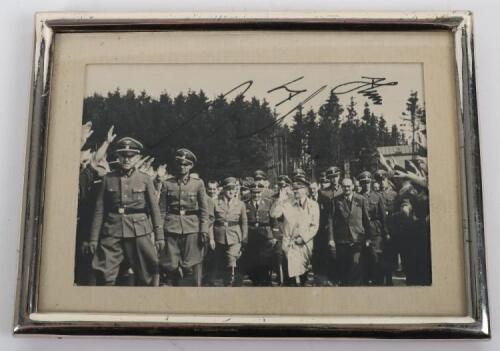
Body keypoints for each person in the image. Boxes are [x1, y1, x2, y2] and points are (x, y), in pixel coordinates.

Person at [89, 137, 164, 286]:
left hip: (139, 230)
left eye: (131, 156)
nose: (127, 160)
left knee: (148, 270)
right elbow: (99, 210)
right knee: (104, 272)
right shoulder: (108, 179)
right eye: (123, 155)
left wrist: (159, 236)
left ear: (137, 158)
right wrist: (93, 238)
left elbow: (155, 209)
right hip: (112, 229)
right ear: (117, 157)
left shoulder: (145, 179)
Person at [159, 148, 209, 286]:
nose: (182, 167)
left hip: (192, 227)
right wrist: (159, 231)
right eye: (180, 164)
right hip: (171, 227)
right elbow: (162, 209)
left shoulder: (198, 184)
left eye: (186, 164)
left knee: (190, 263)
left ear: (191, 166)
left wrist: (203, 229)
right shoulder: (167, 183)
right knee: (171, 265)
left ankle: (190, 291)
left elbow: (204, 209)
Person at [270, 175, 319, 286]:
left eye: (299, 188)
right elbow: (274, 214)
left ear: (306, 190)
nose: (295, 190)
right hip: (288, 245)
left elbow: (314, 226)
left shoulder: (313, 205)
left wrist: (303, 238)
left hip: (304, 245)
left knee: (302, 276)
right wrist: (279, 200)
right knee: (289, 278)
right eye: (294, 188)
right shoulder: (286, 203)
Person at [330, 178, 372, 286]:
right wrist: (331, 238)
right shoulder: (336, 200)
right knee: (344, 265)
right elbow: (331, 220)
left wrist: (368, 237)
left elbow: (366, 219)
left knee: (356, 263)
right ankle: (345, 288)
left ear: (353, 186)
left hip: (357, 238)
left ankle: (355, 287)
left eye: (348, 186)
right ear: (341, 187)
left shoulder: (361, 199)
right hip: (342, 238)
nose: (346, 188)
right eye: (344, 186)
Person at [211, 177, 248, 286]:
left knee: (231, 256)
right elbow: (210, 222)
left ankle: (232, 277)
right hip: (219, 235)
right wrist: (211, 238)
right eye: (229, 189)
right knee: (220, 260)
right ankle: (227, 280)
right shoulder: (215, 202)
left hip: (235, 236)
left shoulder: (240, 204)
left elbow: (244, 223)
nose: (232, 191)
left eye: (234, 189)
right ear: (223, 190)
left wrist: (244, 239)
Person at [358, 171, 387, 285]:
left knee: (376, 258)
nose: (366, 185)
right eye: (364, 183)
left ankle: (378, 282)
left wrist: (386, 232)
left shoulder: (377, 196)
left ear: (371, 182)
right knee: (364, 259)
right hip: (362, 231)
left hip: (375, 231)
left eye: (368, 182)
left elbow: (383, 215)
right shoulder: (357, 196)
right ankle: (366, 281)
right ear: (360, 184)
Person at [244, 183, 275, 286]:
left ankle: (266, 279)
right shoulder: (245, 204)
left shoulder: (268, 203)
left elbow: (273, 220)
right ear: (250, 192)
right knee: (253, 257)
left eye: (258, 193)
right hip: (251, 233)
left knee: (265, 258)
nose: (256, 195)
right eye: (254, 192)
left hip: (265, 233)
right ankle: (255, 279)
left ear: (261, 192)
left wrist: (273, 235)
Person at [269, 175, 293, 285]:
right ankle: (281, 281)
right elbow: (272, 218)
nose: (282, 188)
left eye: (284, 186)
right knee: (279, 257)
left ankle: (290, 281)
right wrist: (274, 233)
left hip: (291, 233)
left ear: (289, 186)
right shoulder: (274, 198)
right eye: (280, 186)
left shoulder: (293, 199)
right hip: (278, 232)